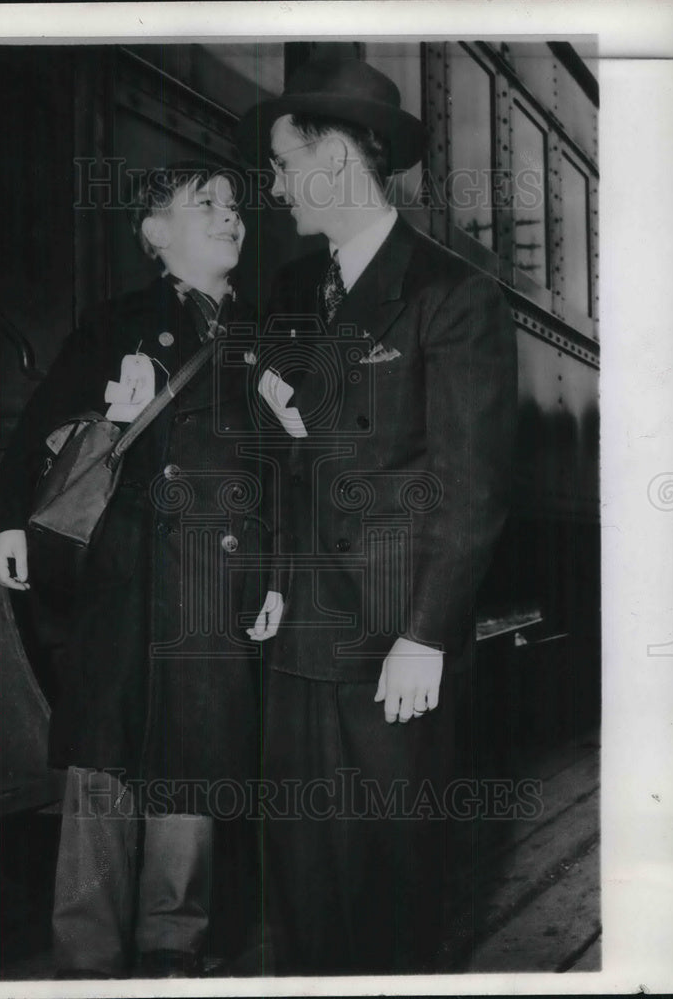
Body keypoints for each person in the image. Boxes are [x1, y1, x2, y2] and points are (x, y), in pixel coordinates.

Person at [236, 58, 518, 974]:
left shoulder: (453, 293)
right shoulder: (286, 294)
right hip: (298, 637)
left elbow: (470, 484)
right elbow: (286, 459)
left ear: (336, 163)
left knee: (393, 880)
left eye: (282, 166)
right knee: (301, 879)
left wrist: (428, 635)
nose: (274, 189)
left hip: (393, 641)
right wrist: (276, 580)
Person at [0, 161, 274, 978]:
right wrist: (7, 520)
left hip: (219, 575)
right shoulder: (117, 322)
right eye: (203, 204)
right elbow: (42, 426)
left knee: (199, 750)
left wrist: (279, 574)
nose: (229, 216)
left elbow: (285, 472)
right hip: (126, 568)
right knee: (103, 753)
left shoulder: (263, 336)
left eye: (232, 205)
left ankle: (172, 947)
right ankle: (86, 956)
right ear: (155, 235)